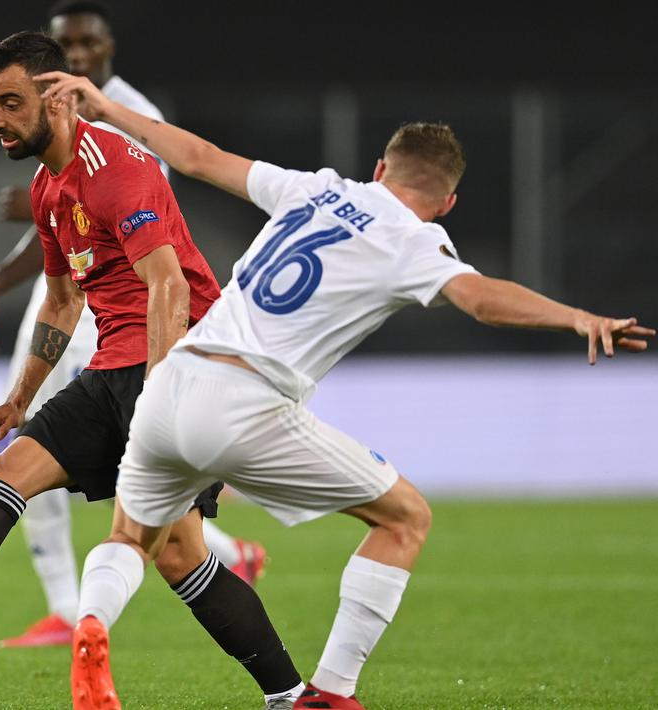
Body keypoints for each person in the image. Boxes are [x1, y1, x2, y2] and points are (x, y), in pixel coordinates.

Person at [36, 70, 655, 709]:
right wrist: (577, 316)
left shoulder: (317, 189)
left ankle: (91, 625)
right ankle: (330, 695)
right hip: (245, 402)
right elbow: (480, 299)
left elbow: (198, 157)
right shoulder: (412, 240)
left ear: (380, 166)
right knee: (405, 518)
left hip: (165, 386)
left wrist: (108, 107)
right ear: (447, 204)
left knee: (131, 538)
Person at [0, 31, 305, 710]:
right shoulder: (46, 186)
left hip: (177, 366)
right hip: (111, 370)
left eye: (9, 103)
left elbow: (169, 287)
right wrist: (19, 399)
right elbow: (64, 299)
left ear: (55, 98)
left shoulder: (117, 166)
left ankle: (288, 693)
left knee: (178, 554)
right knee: (13, 476)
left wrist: (160, 393)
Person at [0, 0, 264, 650]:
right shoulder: (36, 111)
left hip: (131, 304)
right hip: (80, 292)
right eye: (64, 45)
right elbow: (59, 223)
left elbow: (128, 220)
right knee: (44, 440)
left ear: (106, 50)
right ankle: (75, 606)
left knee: (131, 465)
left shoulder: (120, 114)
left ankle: (91, 607)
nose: (76, 58)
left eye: (86, 47)